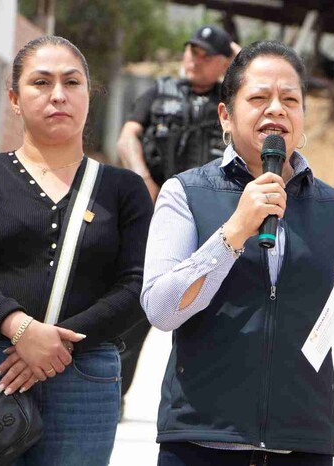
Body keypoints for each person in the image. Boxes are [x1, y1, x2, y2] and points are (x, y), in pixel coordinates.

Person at [141, 40, 334, 466]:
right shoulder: (184, 193)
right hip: (201, 441)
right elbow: (161, 309)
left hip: (301, 442)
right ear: (225, 114)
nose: (276, 109)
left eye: (290, 100)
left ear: (303, 117)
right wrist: (232, 236)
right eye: (259, 97)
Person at [0, 36, 152, 465]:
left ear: (90, 95)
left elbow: (137, 284)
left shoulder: (124, 190)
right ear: (15, 98)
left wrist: (55, 347)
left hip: (84, 375)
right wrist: (20, 329)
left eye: (72, 83)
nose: (58, 95)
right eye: (40, 83)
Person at [115, 25, 238, 408]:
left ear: (223, 62)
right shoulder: (159, 91)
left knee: (216, 317)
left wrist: (239, 55)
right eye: (190, 51)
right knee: (135, 313)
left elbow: (266, 75)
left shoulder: (233, 99)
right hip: (157, 219)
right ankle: (111, 395)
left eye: (205, 55)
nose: (193, 59)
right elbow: (127, 137)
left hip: (216, 225)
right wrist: (143, 178)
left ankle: (213, 404)